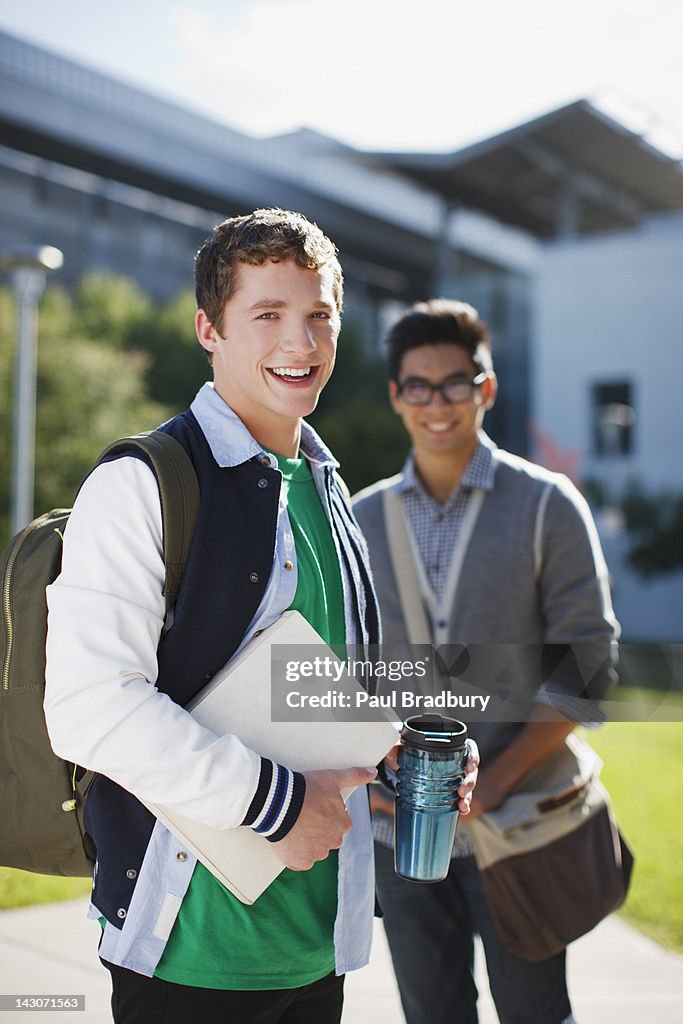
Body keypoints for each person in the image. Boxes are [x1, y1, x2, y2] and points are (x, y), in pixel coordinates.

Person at [43, 209, 478, 1024]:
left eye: (318, 316)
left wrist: (396, 756)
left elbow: (317, 683)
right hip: (190, 952)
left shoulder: (327, 489)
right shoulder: (143, 484)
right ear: (209, 329)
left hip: (316, 944)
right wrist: (275, 803)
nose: (301, 343)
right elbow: (87, 708)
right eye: (268, 316)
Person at [352, 298, 619, 1024]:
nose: (437, 404)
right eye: (417, 386)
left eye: (454, 383)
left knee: (535, 1012)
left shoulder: (545, 506)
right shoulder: (360, 517)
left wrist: (494, 781)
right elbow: (345, 668)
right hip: (397, 826)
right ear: (395, 396)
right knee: (431, 1014)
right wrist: (371, 777)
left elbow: (586, 663)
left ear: (485, 388)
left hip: (521, 822)